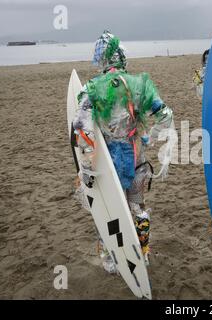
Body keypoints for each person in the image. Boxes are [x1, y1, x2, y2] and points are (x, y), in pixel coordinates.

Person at [72, 30, 175, 272]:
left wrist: (86, 168)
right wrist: (149, 136)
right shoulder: (139, 84)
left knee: (109, 210)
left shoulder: (93, 88)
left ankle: (111, 260)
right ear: (121, 57)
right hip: (137, 157)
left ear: (102, 59)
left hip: (108, 164)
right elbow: (166, 116)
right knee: (138, 207)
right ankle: (144, 255)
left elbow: (82, 131)